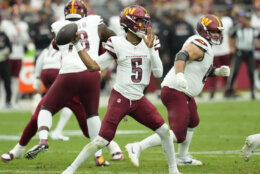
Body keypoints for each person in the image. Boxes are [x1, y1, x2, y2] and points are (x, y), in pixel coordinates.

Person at [1, 0, 123, 165]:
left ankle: (43, 139)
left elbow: (56, 45)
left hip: (69, 73)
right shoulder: (95, 22)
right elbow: (111, 36)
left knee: (46, 108)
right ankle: (98, 155)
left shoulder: (58, 25)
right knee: (92, 116)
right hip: (92, 73)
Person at [62, 5, 180, 174]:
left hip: (138, 99)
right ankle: (70, 170)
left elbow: (159, 72)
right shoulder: (116, 43)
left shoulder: (151, 41)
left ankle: (173, 170)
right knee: (102, 140)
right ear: (129, 24)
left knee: (164, 131)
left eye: (146, 22)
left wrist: (151, 49)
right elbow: (94, 66)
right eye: (141, 22)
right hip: (121, 97)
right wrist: (77, 45)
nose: (145, 26)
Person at [125, 14, 230, 166]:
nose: (216, 35)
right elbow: (182, 55)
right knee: (178, 133)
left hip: (183, 92)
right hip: (176, 90)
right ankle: (138, 146)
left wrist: (217, 72)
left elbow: (201, 69)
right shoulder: (199, 43)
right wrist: (180, 75)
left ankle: (182, 157)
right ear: (203, 30)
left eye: (218, 32)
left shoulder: (205, 45)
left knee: (193, 121)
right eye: (213, 31)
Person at [32, 46, 71, 141]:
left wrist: (37, 77)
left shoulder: (48, 47)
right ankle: (57, 131)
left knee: (48, 100)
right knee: (69, 102)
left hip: (45, 72)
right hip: (56, 71)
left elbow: (39, 60)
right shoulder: (66, 44)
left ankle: (33, 127)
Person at [225, 10, 260, 100]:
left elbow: (258, 40)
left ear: (250, 20)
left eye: (249, 19)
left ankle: (252, 92)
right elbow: (230, 37)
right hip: (239, 52)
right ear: (243, 19)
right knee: (235, 72)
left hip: (250, 53)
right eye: (246, 19)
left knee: (251, 72)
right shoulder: (238, 28)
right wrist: (231, 47)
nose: (247, 21)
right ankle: (229, 91)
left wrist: (257, 43)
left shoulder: (255, 30)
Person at [0, 14, 12, 108]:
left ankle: (8, 101)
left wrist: (8, 52)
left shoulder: (4, 35)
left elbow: (10, 48)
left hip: (4, 61)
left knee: (7, 82)